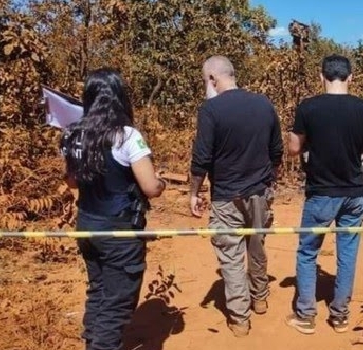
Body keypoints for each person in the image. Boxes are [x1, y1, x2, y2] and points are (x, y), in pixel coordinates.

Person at [60, 67, 167, 350]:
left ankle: (92, 343)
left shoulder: (72, 134)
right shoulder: (127, 136)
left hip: (87, 224)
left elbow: (71, 180)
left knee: (98, 290)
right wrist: (162, 184)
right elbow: (150, 188)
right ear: (119, 97)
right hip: (119, 232)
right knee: (117, 302)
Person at [285, 54, 363, 335]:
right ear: (351, 77)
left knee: (307, 252)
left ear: (322, 77)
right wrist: (356, 147)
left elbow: (293, 148)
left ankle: (306, 315)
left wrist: (312, 142)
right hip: (353, 193)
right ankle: (340, 315)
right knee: (348, 253)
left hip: (320, 194)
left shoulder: (308, 107)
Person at [189, 55, 283, 337]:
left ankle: (240, 320)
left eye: (206, 81)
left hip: (225, 196)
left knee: (231, 257)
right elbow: (276, 151)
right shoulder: (264, 104)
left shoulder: (211, 109)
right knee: (257, 245)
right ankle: (260, 298)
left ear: (212, 79)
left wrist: (193, 192)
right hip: (259, 193)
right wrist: (270, 182)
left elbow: (201, 158)